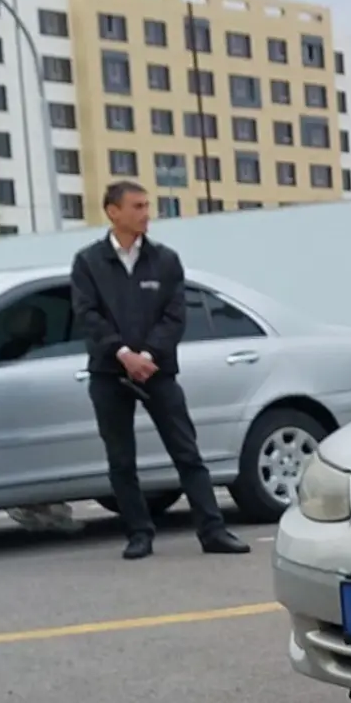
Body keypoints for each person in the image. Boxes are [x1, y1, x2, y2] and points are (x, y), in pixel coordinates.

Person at [72, 180, 250, 561]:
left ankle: (212, 530)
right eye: (137, 206)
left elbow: (174, 315)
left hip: (158, 371)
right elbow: (88, 316)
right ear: (112, 211)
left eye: (146, 206)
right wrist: (122, 355)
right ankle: (139, 533)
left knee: (186, 451)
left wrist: (148, 356)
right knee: (121, 459)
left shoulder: (165, 260)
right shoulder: (88, 262)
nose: (145, 213)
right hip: (109, 373)